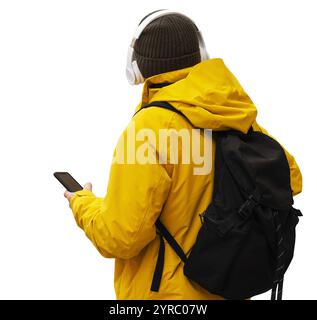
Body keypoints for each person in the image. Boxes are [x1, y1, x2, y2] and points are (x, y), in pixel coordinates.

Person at [63, 10, 302, 300]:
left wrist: (83, 205)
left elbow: (121, 236)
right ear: (200, 53)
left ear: (137, 65)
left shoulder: (147, 130)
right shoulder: (233, 114)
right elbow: (291, 179)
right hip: (228, 289)